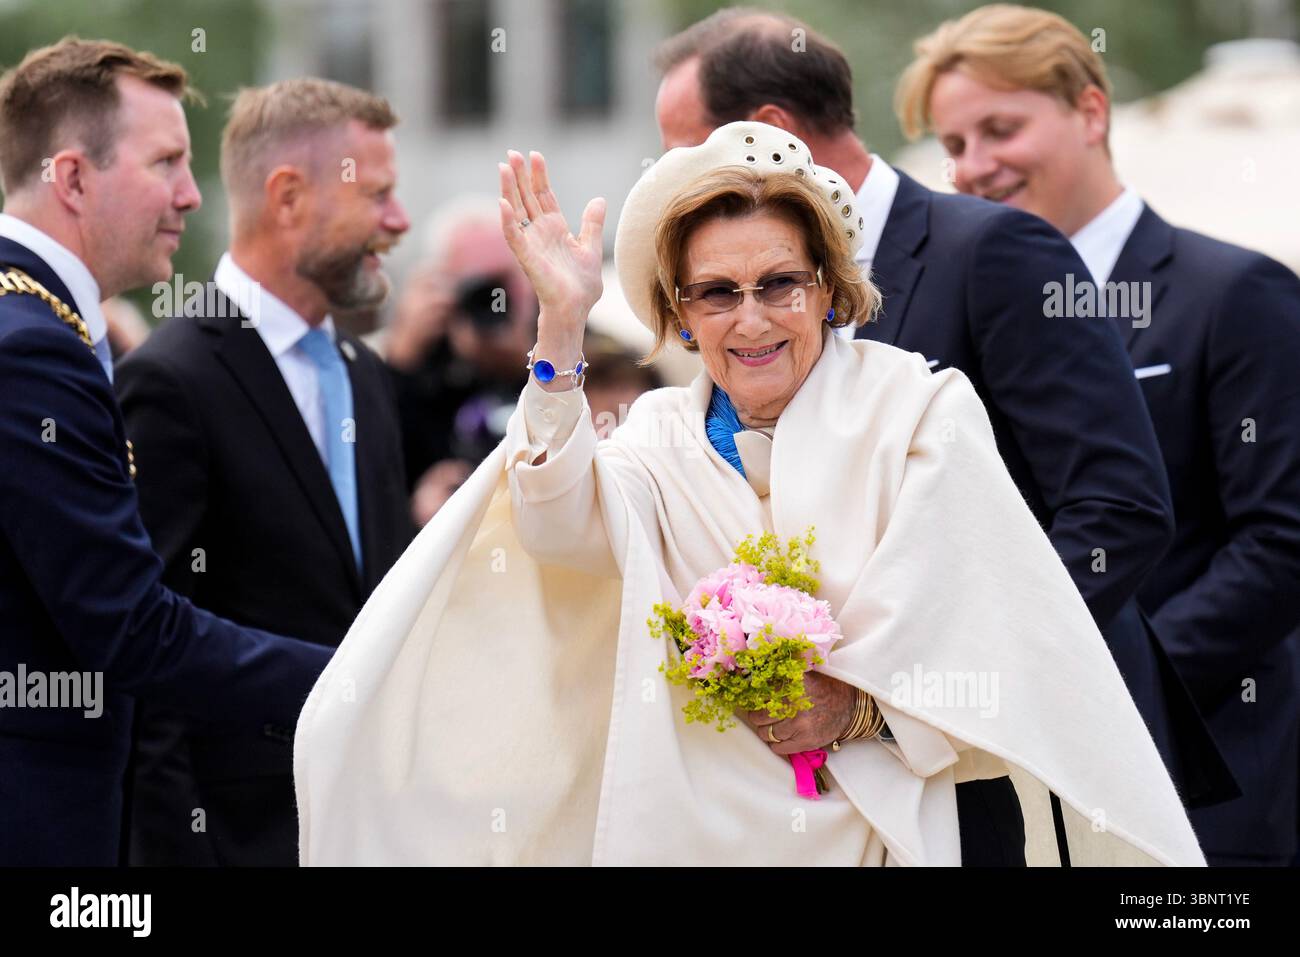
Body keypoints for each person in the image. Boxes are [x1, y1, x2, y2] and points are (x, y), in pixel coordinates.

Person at [293, 123, 1206, 866]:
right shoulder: (651, 434)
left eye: (779, 284)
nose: (752, 317)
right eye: (717, 293)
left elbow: (970, 623)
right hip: (702, 833)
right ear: (682, 314)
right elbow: (558, 526)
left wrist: (855, 708)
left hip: (896, 824)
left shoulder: (921, 407)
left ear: (829, 290)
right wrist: (562, 328)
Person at [652, 7, 1236, 818]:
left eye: (680, 152)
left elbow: (1118, 510)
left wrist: (911, 696)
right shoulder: (732, 322)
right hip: (846, 793)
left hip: (1025, 769)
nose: (667, 178)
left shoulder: (998, 250)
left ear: (766, 131)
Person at [898, 2, 1300, 867]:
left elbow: (1281, 542)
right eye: (954, 146)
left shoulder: (1234, 293)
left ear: (1089, 110)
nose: (975, 166)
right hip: (1028, 771)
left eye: (1000, 128)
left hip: (1210, 761)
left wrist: (1103, 675)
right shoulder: (966, 313)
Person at [0, 38, 331, 865]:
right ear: (72, 178)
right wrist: (359, 676)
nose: (190, 195)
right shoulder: (30, 350)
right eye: (166, 163)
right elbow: (132, 629)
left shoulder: (39, 328)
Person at [115, 77, 415, 866]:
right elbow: (146, 654)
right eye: (378, 194)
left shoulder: (364, 373)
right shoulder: (171, 379)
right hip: (238, 836)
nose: (399, 220)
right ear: (288, 197)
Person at [385, 198, 538, 492]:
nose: (495, 299)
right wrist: (402, 360)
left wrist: (534, 362)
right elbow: (379, 462)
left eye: (503, 280)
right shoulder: (422, 362)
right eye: (477, 284)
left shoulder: (574, 342)